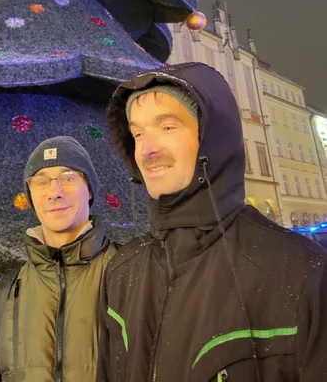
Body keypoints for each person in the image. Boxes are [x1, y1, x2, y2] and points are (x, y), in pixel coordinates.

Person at [97, 62, 327, 382]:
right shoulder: (122, 272)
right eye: (138, 133)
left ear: (211, 137)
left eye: (167, 127)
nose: (147, 149)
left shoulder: (301, 272)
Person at [0, 136, 117, 382]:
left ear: (89, 188)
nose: (54, 193)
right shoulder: (2, 296)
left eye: (68, 178)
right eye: (41, 181)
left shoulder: (131, 273)